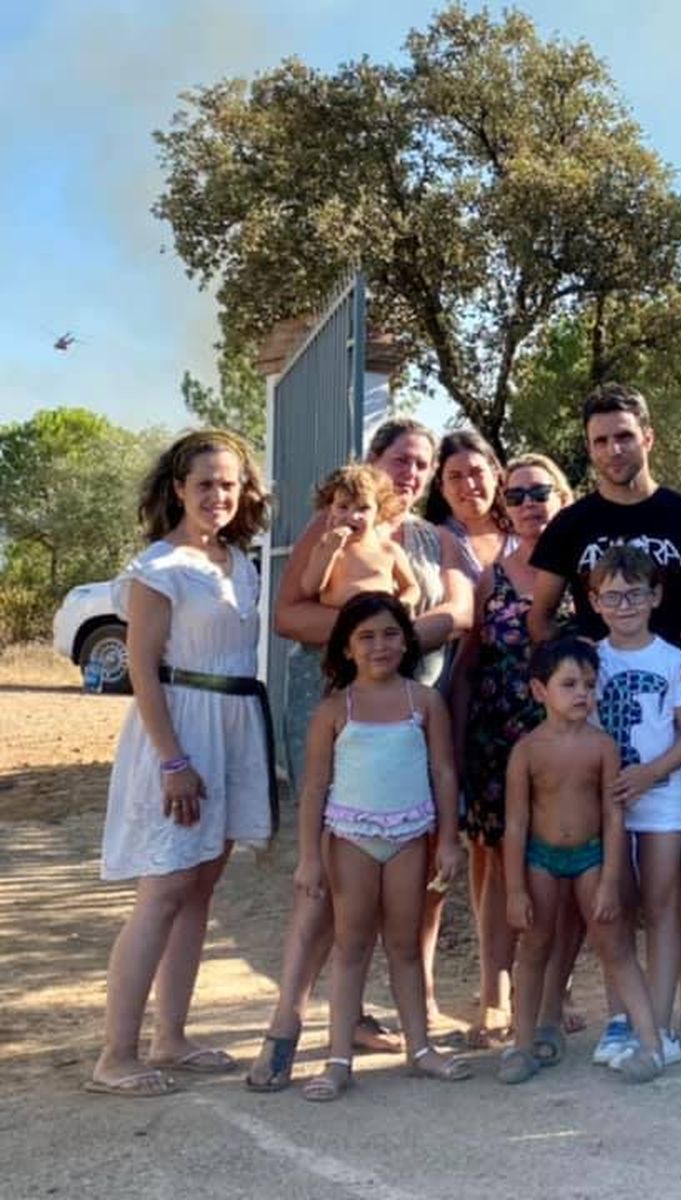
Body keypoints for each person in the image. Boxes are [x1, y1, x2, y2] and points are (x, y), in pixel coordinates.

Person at [247, 418, 473, 1091]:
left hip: (410, 714)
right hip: (333, 704)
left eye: (423, 464)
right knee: (325, 883)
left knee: (414, 885)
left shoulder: (434, 540)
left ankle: (412, 1020)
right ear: (372, 463)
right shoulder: (334, 521)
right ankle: (287, 1024)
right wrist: (374, 640)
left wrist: (389, 642)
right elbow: (289, 615)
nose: (412, 473)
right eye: (400, 459)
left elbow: (459, 614)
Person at [527, 382, 681, 1057]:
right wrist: (560, 691)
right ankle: (575, 1012)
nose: (614, 449)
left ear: (648, 436)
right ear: (588, 452)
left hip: (669, 721)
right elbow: (539, 617)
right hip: (595, 733)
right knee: (594, 869)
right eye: (599, 441)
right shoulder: (571, 526)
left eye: (623, 435)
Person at [87, 430, 273, 1096]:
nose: (217, 496)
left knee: (199, 890)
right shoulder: (157, 568)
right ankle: (116, 1054)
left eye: (228, 484)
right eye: (204, 484)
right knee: (163, 891)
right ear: (177, 490)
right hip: (180, 734)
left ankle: (171, 1037)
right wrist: (173, 761)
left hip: (232, 729)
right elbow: (141, 670)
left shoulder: (239, 563)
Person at [292, 593, 469, 1100]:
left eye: (391, 634)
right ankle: (337, 1058)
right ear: (347, 648)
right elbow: (314, 787)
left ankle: (420, 1048)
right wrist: (309, 857)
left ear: (407, 640)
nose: (380, 646)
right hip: (351, 839)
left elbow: (443, 771)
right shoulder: (334, 709)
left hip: (411, 837)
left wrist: (449, 839)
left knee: (406, 945)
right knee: (350, 947)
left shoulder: (424, 701)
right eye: (366, 637)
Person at [449, 453, 577, 1049]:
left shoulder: (587, 574)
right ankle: (496, 995)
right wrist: (455, 748)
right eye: (517, 494)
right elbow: (469, 668)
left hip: (570, 742)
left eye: (540, 492)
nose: (529, 504)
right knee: (499, 864)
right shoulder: (490, 576)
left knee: (565, 860)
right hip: (497, 736)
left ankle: (554, 992)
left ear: (562, 498)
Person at [498, 638, 667, 1085]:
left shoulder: (602, 747)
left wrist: (612, 878)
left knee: (617, 948)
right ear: (539, 690)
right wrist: (514, 888)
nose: (581, 695)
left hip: (591, 857)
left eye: (590, 685)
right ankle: (522, 1044)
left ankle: (651, 1045)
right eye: (569, 684)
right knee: (534, 948)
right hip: (541, 859)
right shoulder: (527, 751)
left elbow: (615, 816)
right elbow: (515, 824)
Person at [587, 544, 681, 1068]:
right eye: (613, 596)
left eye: (635, 594)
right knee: (617, 911)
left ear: (656, 596)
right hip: (610, 805)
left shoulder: (674, 660)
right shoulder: (591, 660)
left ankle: (658, 1023)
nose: (625, 605)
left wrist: (649, 774)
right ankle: (621, 1018)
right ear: (594, 601)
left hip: (660, 801)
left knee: (661, 906)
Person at [302, 464, 420, 610]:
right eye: (343, 507)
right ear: (330, 508)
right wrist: (330, 552)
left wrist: (404, 603)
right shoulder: (325, 548)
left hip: (381, 623)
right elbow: (310, 588)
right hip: (342, 626)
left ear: (378, 511)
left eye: (363, 508)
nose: (352, 516)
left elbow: (411, 587)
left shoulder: (389, 550)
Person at [424, 429, 513, 583]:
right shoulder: (429, 543)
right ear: (441, 486)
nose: (469, 485)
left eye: (476, 472)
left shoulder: (522, 532)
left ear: (495, 475)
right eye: (455, 477)